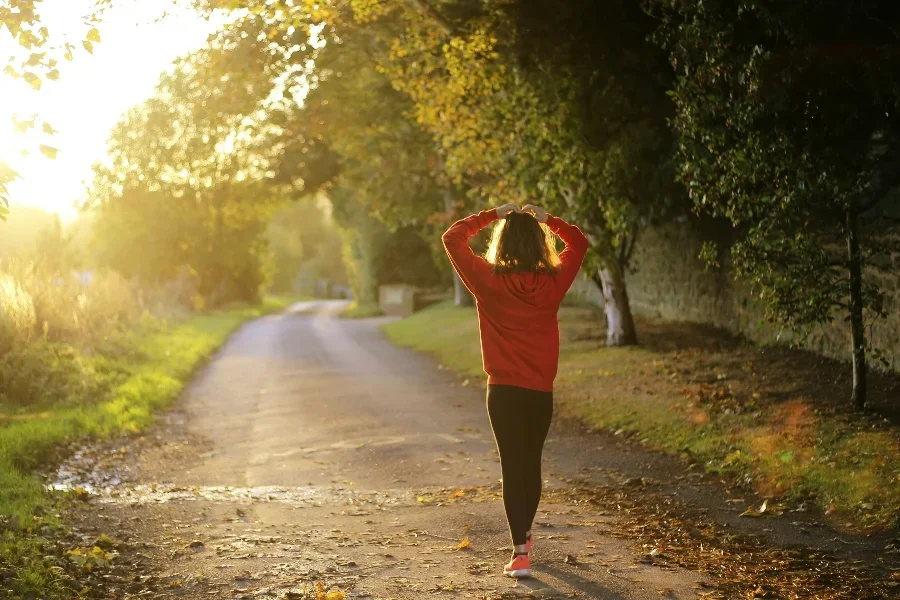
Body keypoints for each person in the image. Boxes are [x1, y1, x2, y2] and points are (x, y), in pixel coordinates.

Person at [441, 202, 590, 578]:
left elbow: (452, 237)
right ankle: (524, 539)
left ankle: (520, 552)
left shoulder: (487, 280)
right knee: (531, 463)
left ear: (502, 243)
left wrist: (492, 214)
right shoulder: (553, 282)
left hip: (503, 391)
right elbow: (580, 242)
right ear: (540, 244)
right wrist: (548, 220)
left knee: (512, 465)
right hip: (540, 391)